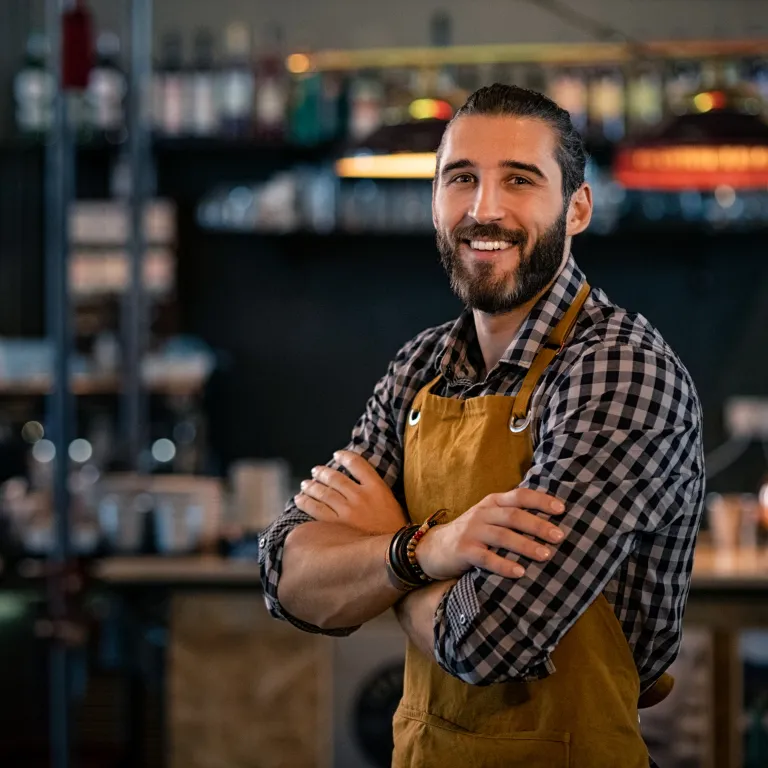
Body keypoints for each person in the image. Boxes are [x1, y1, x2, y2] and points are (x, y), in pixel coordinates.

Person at [258, 83, 704, 767]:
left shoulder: (620, 371)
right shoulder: (420, 366)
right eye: (460, 178)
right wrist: (425, 552)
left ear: (577, 207)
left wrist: (379, 557)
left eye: (519, 181)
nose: (483, 209)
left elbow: (491, 639)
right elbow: (286, 576)